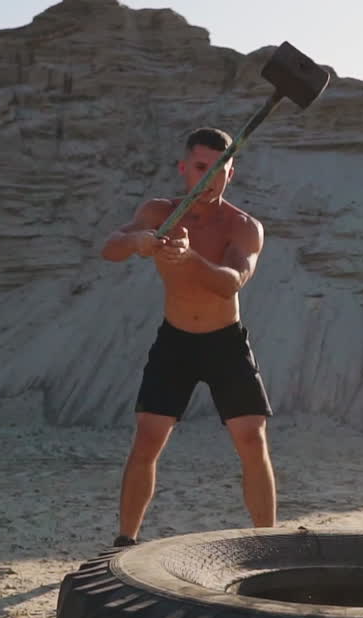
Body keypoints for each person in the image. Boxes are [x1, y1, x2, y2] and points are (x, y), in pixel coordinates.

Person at [100, 127, 276, 547]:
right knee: (147, 437)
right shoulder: (161, 212)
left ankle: (269, 543)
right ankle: (125, 540)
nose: (209, 177)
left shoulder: (244, 226)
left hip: (224, 341)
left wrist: (190, 258)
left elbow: (230, 282)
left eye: (219, 169)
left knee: (252, 439)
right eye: (201, 167)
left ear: (230, 175)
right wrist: (140, 242)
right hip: (176, 340)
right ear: (184, 168)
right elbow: (110, 247)